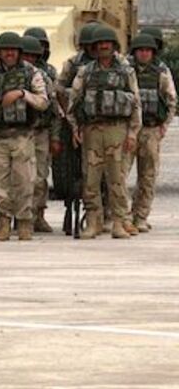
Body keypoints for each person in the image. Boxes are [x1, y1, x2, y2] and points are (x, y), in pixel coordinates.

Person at [66, 25, 139, 240]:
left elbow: (136, 104)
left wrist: (134, 132)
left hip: (118, 129)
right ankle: (93, 222)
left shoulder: (126, 71)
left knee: (116, 178)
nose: (104, 47)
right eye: (100, 44)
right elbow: (73, 103)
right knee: (91, 178)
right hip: (92, 130)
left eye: (107, 43)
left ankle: (118, 222)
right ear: (94, 47)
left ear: (114, 46)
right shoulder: (85, 72)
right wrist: (75, 128)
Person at [0, 32, 49, 241]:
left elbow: (43, 102)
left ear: (19, 53)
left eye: (13, 50)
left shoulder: (31, 74)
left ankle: (25, 221)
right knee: (0, 183)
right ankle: (4, 221)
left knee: (25, 181)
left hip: (23, 135)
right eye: (5, 50)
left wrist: (22, 94)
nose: (9, 53)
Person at [126, 32, 173, 234]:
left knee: (147, 175)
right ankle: (123, 216)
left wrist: (165, 125)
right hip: (127, 130)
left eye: (148, 50)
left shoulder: (161, 72)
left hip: (151, 128)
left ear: (154, 52)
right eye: (140, 50)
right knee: (120, 174)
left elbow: (171, 99)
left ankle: (141, 216)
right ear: (134, 52)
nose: (144, 54)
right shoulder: (125, 70)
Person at [21, 31, 62, 233]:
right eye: (25, 55)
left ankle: (37, 215)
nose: (29, 60)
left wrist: (55, 137)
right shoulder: (12, 73)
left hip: (40, 132)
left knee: (39, 177)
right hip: (16, 132)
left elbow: (54, 109)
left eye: (33, 55)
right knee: (16, 177)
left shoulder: (48, 75)